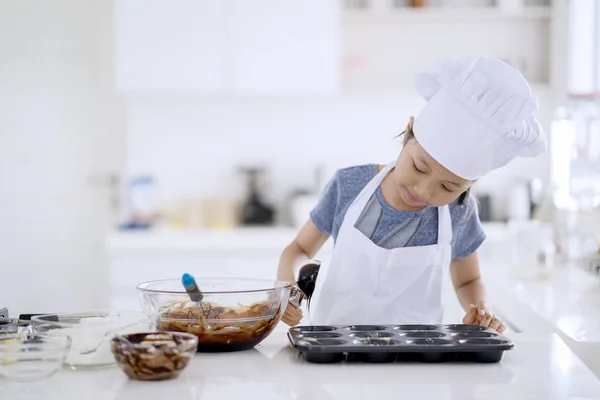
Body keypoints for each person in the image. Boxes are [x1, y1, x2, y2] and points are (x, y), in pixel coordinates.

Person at [277, 55, 547, 332]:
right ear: (408, 132)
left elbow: (468, 281)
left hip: (417, 359)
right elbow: (298, 249)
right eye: (419, 167)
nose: (423, 190)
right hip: (335, 349)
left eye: (448, 187)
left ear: (469, 184)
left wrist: (481, 311)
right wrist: (290, 290)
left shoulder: (459, 212)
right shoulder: (349, 185)